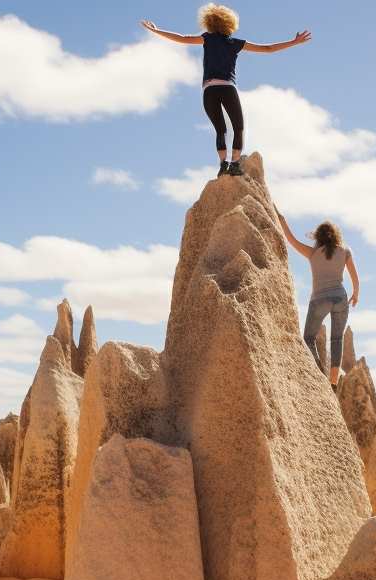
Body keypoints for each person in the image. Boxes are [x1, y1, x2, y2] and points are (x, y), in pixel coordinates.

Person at [141, 5, 312, 177]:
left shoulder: (207, 38)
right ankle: (235, 164)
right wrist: (293, 42)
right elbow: (267, 49)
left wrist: (156, 31)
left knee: (220, 129)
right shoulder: (235, 43)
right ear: (229, 23)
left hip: (209, 89)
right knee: (238, 127)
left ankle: (224, 164)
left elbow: (182, 38)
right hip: (228, 88)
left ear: (209, 22)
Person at [277, 210, 358, 386]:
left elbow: (291, 240)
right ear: (336, 235)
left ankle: (319, 373)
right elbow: (354, 276)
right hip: (340, 297)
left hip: (320, 299)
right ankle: (334, 382)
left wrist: (282, 221)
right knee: (337, 339)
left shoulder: (312, 253)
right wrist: (356, 293)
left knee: (308, 338)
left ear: (318, 237)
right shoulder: (345, 251)